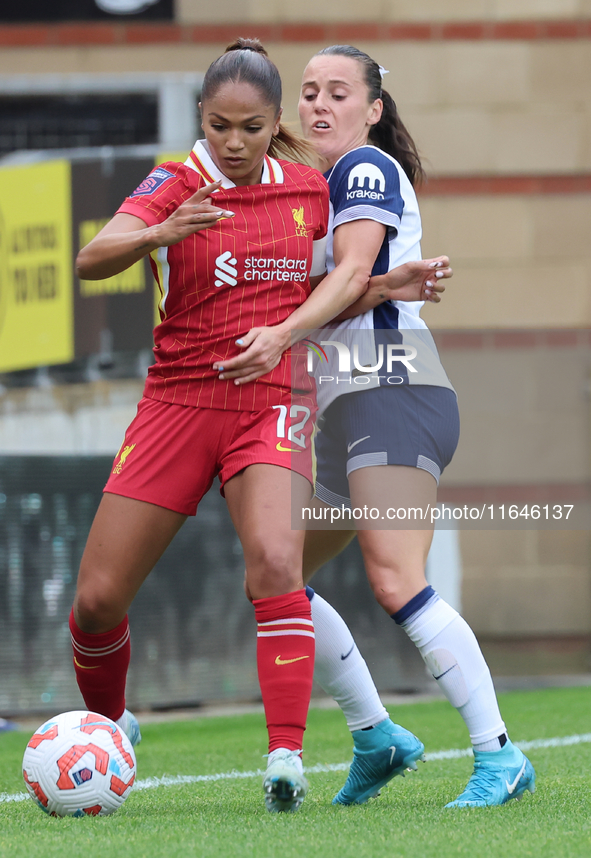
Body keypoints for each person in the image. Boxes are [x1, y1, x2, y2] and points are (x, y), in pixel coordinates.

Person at [69, 38, 446, 814]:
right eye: (217, 127)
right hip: (176, 404)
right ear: (201, 120)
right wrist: (155, 234)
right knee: (98, 602)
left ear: (275, 123)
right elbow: (90, 258)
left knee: (277, 563)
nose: (232, 144)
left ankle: (285, 756)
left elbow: (327, 288)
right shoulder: (173, 181)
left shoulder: (311, 189)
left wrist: (384, 286)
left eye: (249, 128)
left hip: (273, 399)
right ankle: (105, 733)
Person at [220, 44, 536, 809]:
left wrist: (296, 326)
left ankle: (499, 755)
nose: (319, 105)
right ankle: (376, 737)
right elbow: (358, 282)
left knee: (395, 578)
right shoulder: (315, 187)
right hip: (344, 407)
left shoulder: (362, 170)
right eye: (307, 92)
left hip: (392, 389)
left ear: (372, 108)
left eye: (337, 92)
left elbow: (352, 274)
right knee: (277, 578)